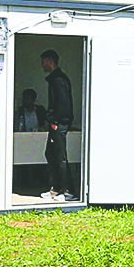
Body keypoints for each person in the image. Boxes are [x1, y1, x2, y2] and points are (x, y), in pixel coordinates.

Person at [40, 50, 77, 202]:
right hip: (56, 122)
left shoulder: (59, 80)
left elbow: (63, 103)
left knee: (60, 156)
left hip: (59, 123)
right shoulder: (55, 79)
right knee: (51, 154)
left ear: (50, 61)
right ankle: (56, 188)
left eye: (44, 62)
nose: (42, 65)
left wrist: (55, 121)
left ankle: (68, 191)